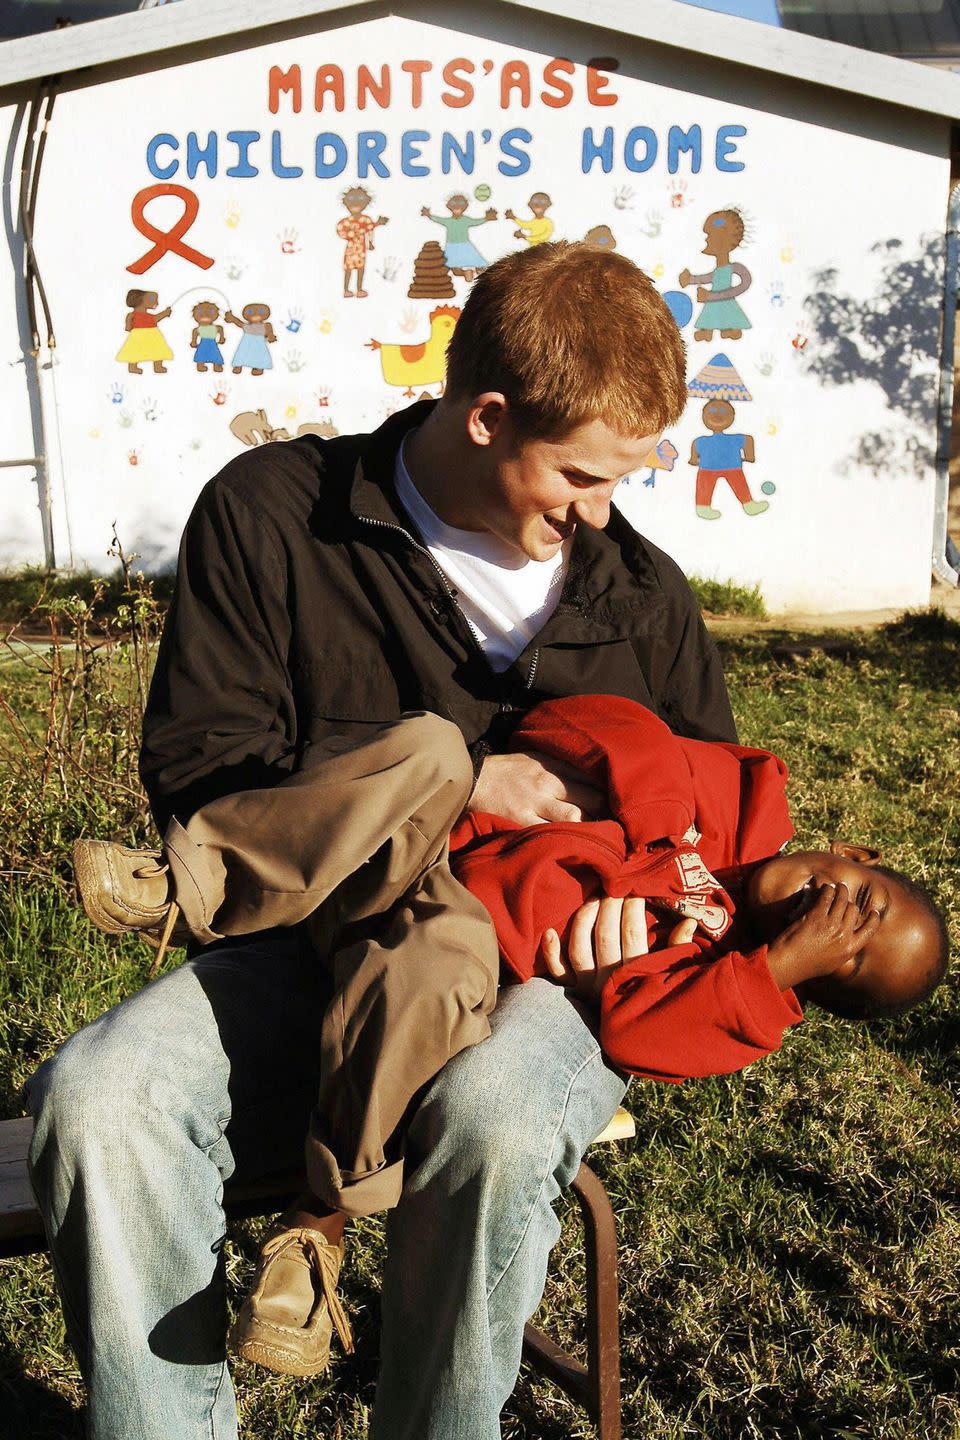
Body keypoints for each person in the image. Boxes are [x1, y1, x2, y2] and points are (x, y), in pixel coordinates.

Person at [25, 241, 736, 1440]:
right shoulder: (275, 517)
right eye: (574, 475)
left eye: (621, 480)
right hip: (307, 948)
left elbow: (708, 835)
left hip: (537, 979)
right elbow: (205, 771)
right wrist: (450, 791)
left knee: (496, 1123)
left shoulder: (641, 598)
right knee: (101, 1098)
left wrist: (643, 916)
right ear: (486, 415)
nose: (597, 514)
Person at [449, 694, 949, 1076]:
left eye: (842, 953)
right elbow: (606, 723)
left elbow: (636, 1037)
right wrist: (659, 830)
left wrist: (773, 971)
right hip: (440, 834)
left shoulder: (713, 982)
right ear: (853, 855)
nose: (828, 913)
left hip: (464, 957)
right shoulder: (743, 801)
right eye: (861, 899)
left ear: (809, 984)